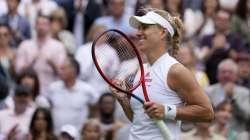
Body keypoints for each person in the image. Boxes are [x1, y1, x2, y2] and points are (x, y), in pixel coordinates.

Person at [111, 8, 214, 140]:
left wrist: (167, 111)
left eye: (144, 28)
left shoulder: (175, 70)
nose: (138, 33)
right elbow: (139, 119)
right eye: (139, 28)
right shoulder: (142, 69)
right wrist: (123, 99)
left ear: (162, 32)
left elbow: (207, 112)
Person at [48, 55, 98, 134]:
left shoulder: (87, 90)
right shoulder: (53, 88)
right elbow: (49, 109)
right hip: (57, 135)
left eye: (63, 68)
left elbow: (96, 108)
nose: (60, 71)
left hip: (78, 136)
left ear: (73, 71)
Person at [205, 59, 250, 132]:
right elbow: (207, 114)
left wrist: (233, 98)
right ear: (217, 74)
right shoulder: (208, 91)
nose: (226, 75)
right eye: (223, 72)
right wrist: (222, 98)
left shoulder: (245, 93)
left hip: (237, 132)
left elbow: (247, 116)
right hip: (213, 131)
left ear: (236, 75)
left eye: (230, 72)